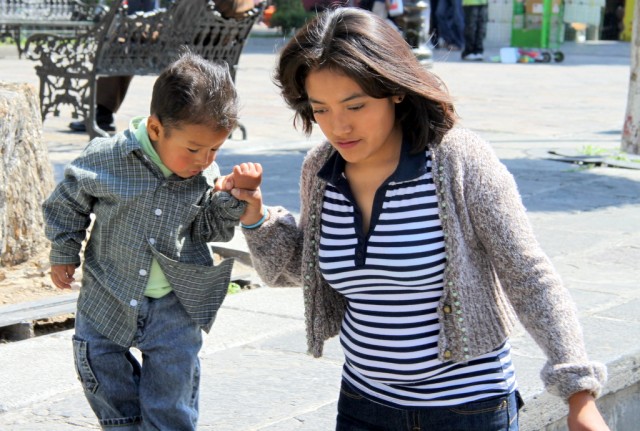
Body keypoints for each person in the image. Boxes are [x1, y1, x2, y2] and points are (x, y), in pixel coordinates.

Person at [224, 8, 610, 430]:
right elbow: (308, 270)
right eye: (321, 109)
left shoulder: (457, 160)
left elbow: (527, 273)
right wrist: (257, 218)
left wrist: (578, 391)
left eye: (355, 105)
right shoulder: (322, 170)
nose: (339, 126)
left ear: (395, 90)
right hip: (363, 404)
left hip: (468, 410)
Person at [43, 51, 264, 430]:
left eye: (215, 149)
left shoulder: (204, 173)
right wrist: (64, 251)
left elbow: (207, 228)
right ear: (156, 129)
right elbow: (67, 203)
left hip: (175, 307)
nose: (204, 159)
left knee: (171, 396)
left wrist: (231, 198)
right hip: (108, 294)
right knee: (98, 364)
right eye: (193, 149)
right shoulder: (105, 159)